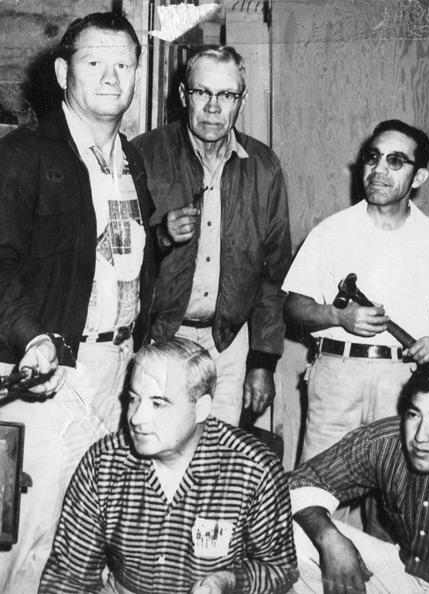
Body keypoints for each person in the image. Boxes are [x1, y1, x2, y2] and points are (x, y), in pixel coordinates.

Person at [0, 13, 154, 593]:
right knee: (30, 541)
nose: (111, 77)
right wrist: (31, 336)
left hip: (116, 375)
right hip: (48, 374)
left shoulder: (130, 161)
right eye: (94, 62)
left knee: (88, 545)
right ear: (64, 72)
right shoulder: (23, 154)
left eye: (124, 64)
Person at [39, 338, 298, 594]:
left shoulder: (254, 469)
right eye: (133, 399)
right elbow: (69, 577)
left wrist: (229, 581)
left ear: (201, 409)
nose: (137, 418)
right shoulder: (103, 463)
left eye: (158, 403)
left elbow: (279, 569)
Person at [283, 119, 429, 461]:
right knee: (319, 485)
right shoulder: (331, 232)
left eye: (395, 161)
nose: (379, 169)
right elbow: (293, 307)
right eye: (373, 157)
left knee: (393, 488)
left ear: (419, 177)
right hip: (337, 377)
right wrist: (338, 316)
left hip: (402, 383)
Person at [132, 46, 291, 426]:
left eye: (227, 95)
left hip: (229, 345)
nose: (213, 107)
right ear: (184, 95)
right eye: (202, 92)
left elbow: (273, 276)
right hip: (159, 337)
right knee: (158, 441)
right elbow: (112, 256)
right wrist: (161, 236)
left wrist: (263, 361)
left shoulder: (263, 166)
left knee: (218, 451)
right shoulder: (144, 154)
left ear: (242, 100)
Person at [288, 359, 429, 594]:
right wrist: (329, 539)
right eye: (414, 415)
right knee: (291, 531)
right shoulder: (387, 441)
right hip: (405, 574)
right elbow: (300, 482)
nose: (420, 436)